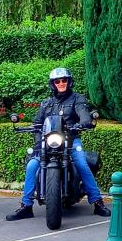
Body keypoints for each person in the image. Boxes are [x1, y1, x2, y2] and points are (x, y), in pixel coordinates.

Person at [6, 68, 111, 220]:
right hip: (48, 143)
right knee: (31, 166)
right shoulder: (46, 103)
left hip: (70, 141)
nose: (61, 83)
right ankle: (26, 206)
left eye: (64, 80)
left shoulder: (77, 99)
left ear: (69, 82)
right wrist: (37, 143)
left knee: (81, 164)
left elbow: (83, 114)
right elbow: (37, 124)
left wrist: (85, 122)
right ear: (53, 84)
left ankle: (97, 202)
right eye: (57, 81)